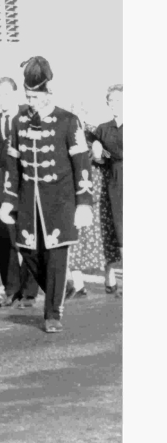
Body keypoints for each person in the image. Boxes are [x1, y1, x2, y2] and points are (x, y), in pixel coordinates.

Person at [0, 56, 92, 332]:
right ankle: (60, 287)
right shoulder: (19, 122)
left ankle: (53, 312)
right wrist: (8, 199)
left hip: (60, 201)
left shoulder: (68, 120)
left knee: (56, 257)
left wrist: (84, 202)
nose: (32, 101)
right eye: (28, 96)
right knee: (26, 250)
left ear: (48, 92)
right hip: (29, 200)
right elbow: (12, 166)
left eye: (36, 96)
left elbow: (82, 163)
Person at [0, 77, 39, 309]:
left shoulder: (29, 117)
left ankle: (29, 291)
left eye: (6, 95)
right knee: (4, 240)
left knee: (28, 237)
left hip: (25, 183)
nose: (2, 100)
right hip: (2, 186)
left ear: (16, 94)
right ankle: (11, 290)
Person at [88, 84, 123, 291]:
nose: (115, 105)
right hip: (115, 181)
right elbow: (99, 161)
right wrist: (98, 152)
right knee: (118, 229)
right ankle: (113, 277)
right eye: (112, 101)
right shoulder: (103, 129)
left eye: (120, 100)